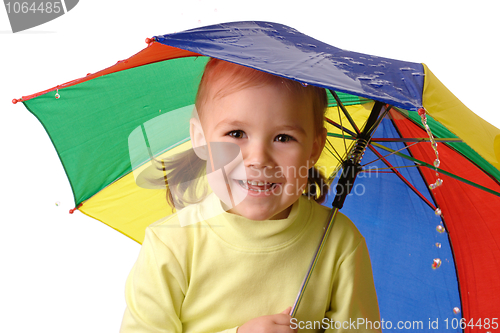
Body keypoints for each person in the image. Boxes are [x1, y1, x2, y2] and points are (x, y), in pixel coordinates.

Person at [120, 58, 381, 332]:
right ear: (200, 138)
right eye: (236, 133)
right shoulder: (172, 243)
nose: (258, 159)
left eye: (283, 138)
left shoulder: (337, 242)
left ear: (315, 147)